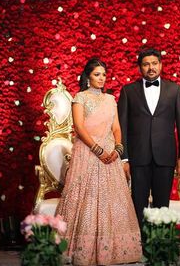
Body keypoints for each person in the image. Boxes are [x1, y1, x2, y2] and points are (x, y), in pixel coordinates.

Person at [55, 58, 142, 266]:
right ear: (88, 77)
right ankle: (79, 250)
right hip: (87, 153)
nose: (101, 78)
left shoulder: (111, 99)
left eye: (103, 74)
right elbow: (79, 127)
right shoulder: (80, 98)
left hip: (110, 155)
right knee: (86, 197)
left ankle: (113, 250)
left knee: (112, 200)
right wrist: (97, 149)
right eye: (97, 74)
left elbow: (117, 129)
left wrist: (117, 149)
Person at [118, 48, 180, 228]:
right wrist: (124, 158)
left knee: (162, 206)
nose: (151, 68)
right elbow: (121, 127)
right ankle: (140, 248)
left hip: (165, 156)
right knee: (138, 204)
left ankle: (160, 249)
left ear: (161, 65)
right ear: (139, 68)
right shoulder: (128, 91)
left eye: (154, 63)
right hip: (138, 156)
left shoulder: (174, 90)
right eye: (146, 64)